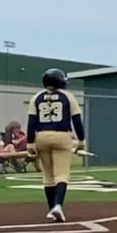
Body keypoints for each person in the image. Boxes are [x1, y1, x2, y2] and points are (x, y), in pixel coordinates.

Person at [26, 68, 85, 223]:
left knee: (48, 175)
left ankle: (51, 209)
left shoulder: (37, 97)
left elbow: (31, 122)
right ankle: (58, 205)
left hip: (42, 136)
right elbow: (77, 120)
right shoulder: (68, 96)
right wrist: (81, 141)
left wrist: (30, 143)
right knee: (61, 174)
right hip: (62, 136)